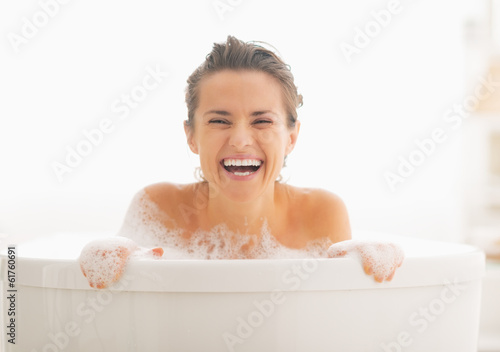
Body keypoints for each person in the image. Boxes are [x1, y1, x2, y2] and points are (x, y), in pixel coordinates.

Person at [79, 36, 403, 289]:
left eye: (261, 121)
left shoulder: (321, 214)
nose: (240, 140)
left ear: (291, 136)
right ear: (191, 135)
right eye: (220, 121)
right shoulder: (157, 210)